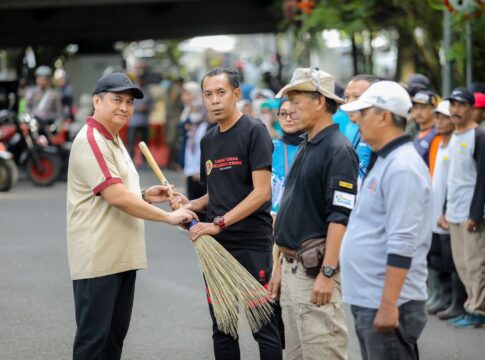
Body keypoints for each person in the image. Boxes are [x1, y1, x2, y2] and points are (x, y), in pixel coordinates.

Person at [67, 72, 196, 359]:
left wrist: (147, 195)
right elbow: (115, 196)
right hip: (99, 259)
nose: (124, 107)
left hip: (120, 258)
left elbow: (114, 193)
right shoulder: (91, 139)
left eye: (129, 102)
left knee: (112, 343)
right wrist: (167, 217)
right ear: (96, 101)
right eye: (116, 100)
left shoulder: (111, 139)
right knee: (93, 346)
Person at [170, 68, 282, 360]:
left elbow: (261, 193)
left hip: (251, 245)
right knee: (223, 327)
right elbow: (218, 194)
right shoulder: (209, 140)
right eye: (208, 94)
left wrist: (217, 224)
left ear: (236, 94)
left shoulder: (254, 131)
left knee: (264, 327)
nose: (214, 100)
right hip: (217, 249)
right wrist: (191, 204)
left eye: (221, 93)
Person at [270, 67, 359, 360]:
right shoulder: (309, 143)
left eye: (296, 101)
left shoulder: (338, 149)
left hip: (314, 274)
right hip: (294, 268)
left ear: (320, 101)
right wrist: (280, 266)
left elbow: (340, 216)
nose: (290, 110)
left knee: (323, 352)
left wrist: (327, 273)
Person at [340, 81, 431, 360]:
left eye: (363, 112)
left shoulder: (402, 166)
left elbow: (403, 241)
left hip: (388, 300)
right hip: (372, 297)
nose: (356, 119)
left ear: (384, 116)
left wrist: (389, 304)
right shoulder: (385, 159)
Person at [442, 87, 485, 328]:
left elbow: (482, 180)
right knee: (461, 262)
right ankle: (472, 305)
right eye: (452, 105)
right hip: (454, 211)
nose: (455, 110)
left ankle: (478, 309)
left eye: (460, 105)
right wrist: (445, 209)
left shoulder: (479, 136)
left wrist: (475, 214)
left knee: (476, 262)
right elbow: (452, 178)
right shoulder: (455, 136)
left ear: (471, 109)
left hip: (471, 213)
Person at [432, 101, 467, 321]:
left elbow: (454, 182)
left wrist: (445, 209)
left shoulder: (455, 143)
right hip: (435, 213)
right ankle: (444, 298)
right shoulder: (441, 144)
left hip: (449, 212)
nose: (440, 121)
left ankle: (458, 303)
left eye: (444, 117)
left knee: (453, 260)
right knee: (438, 258)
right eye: (438, 117)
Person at [343, 74, 380, 185]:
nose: (349, 103)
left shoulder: (382, 138)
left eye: (357, 97)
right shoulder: (357, 132)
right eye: (346, 97)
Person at [180, 81, 209, 201]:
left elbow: (204, 146)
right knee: (192, 204)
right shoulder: (187, 112)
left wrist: (201, 169)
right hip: (190, 168)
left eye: (187, 94)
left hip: (201, 170)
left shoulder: (206, 120)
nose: (184, 97)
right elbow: (186, 143)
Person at [127, 62, 153, 165]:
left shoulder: (147, 90)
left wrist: (146, 108)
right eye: (139, 78)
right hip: (134, 120)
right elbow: (129, 103)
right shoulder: (132, 90)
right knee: (131, 141)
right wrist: (138, 108)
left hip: (144, 121)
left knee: (145, 142)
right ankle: (131, 160)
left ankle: (145, 161)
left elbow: (152, 104)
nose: (141, 80)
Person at [411, 90, 440, 169]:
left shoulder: (437, 135)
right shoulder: (418, 134)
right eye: (416, 108)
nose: (418, 112)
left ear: (434, 109)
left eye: (423, 108)